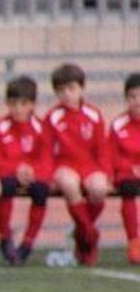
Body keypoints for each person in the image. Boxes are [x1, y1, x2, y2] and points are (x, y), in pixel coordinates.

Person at [46, 62, 110, 266]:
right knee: (70, 184)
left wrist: (107, 174)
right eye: (61, 90)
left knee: (99, 188)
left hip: (89, 165)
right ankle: (90, 236)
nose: (67, 94)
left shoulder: (94, 114)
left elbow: (102, 149)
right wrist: (48, 177)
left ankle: (81, 234)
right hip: (64, 165)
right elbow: (46, 152)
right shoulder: (53, 117)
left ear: (81, 88)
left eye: (71, 88)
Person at [0, 75, 55, 266]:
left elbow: (47, 157)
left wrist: (34, 171)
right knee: (6, 187)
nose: (18, 109)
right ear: (7, 104)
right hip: (10, 174)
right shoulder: (0, 127)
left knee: (41, 190)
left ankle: (28, 243)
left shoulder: (41, 127)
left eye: (23, 104)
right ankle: (5, 238)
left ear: (32, 105)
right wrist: (15, 169)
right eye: (13, 103)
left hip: (34, 175)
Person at [109, 72, 140, 265]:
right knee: (127, 188)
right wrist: (132, 168)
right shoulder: (118, 125)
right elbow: (112, 156)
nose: (137, 101)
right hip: (128, 175)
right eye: (132, 96)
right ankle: (134, 242)